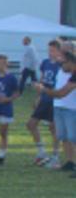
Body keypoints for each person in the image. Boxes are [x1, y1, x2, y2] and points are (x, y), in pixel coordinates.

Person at [41, 43, 76, 172]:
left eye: (64, 62)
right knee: (64, 136)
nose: (61, 64)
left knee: (73, 137)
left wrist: (44, 90)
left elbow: (62, 93)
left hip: (71, 107)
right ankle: (70, 162)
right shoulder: (67, 70)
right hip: (59, 105)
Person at [29, 39, 65, 165]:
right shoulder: (45, 62)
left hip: (54, 98)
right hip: (44, 98)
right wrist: (38, 95)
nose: (50, 53)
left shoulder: (62, 65)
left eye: (53, 50)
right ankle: (41, 152)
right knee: (31, 124)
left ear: (59, 51)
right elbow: (43, 79)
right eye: (49, 50)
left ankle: (55, 155)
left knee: (53, 127)